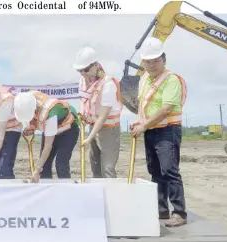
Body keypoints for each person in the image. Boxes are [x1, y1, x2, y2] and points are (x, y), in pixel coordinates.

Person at [131, 37, 188, 227]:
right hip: (150, 130)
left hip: (167, 131)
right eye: (147, 61)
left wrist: (144, 125)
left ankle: (179, 212)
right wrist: (139, 121)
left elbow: (165, 109)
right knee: (155, 171)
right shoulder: (144, 79)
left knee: (170, 171)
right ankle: (161, 210)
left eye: (155, 60)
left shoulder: (172, 80)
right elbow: (143, 104)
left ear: (164, 59)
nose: (151, 65)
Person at [74, 46, 123, 179]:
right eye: (80, 70)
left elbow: (103, 116)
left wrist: (89, 138)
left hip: (108, 129)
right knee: (95, 168)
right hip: (93, 126)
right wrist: (82, 115)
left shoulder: (108, 84)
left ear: (95, 65)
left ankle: (111, 197)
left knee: (107, 168)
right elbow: (83, 100)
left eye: (86, 69)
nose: (83, 73)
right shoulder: (83, 80)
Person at [13, 91, 79, 183]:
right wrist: (32, 127)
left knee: (61, 162)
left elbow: (48, 146)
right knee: (45, 165)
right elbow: (35, 117)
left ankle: (66, 189)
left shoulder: (50, 113)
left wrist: (37, 170)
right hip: (50, 128)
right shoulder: (26, 99)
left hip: (68, 130)